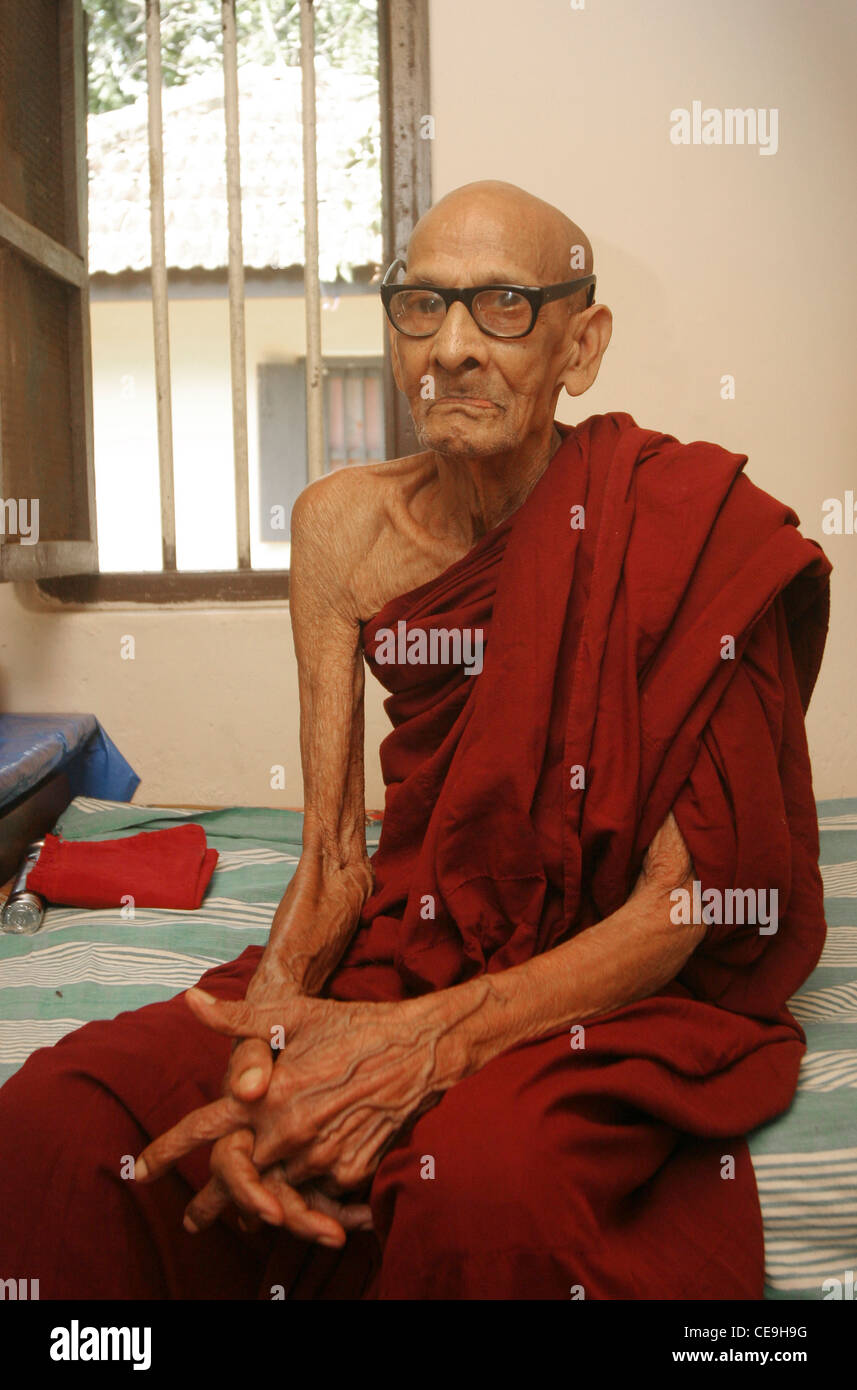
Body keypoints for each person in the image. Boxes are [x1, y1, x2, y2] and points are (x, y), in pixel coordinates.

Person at [0, 181, 831, 1300]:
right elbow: (338, 860)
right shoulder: (339, 526)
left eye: (500, 306)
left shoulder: (681, 524)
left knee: (481, 1194)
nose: (448, 349)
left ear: (579, 345)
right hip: (412, 936)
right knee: (58, 1122)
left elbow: (680, 908)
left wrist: (426, 1044)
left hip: (602, 979)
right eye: (419, 306)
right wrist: (269, 1041)